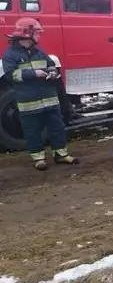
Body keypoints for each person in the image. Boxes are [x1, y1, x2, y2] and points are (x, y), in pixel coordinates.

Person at [2, 17, 79, 170]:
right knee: (32, 131)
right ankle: (39, 158)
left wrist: (52, 72)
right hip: (28, 101)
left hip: (49, 99)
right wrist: (34, 74)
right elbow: (12, 75)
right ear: (27, 33)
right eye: (37, 32)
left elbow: (50, 65)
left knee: (57, 127)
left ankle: (61, 154)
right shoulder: (10, 55)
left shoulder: (39, 52)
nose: (39, 35)